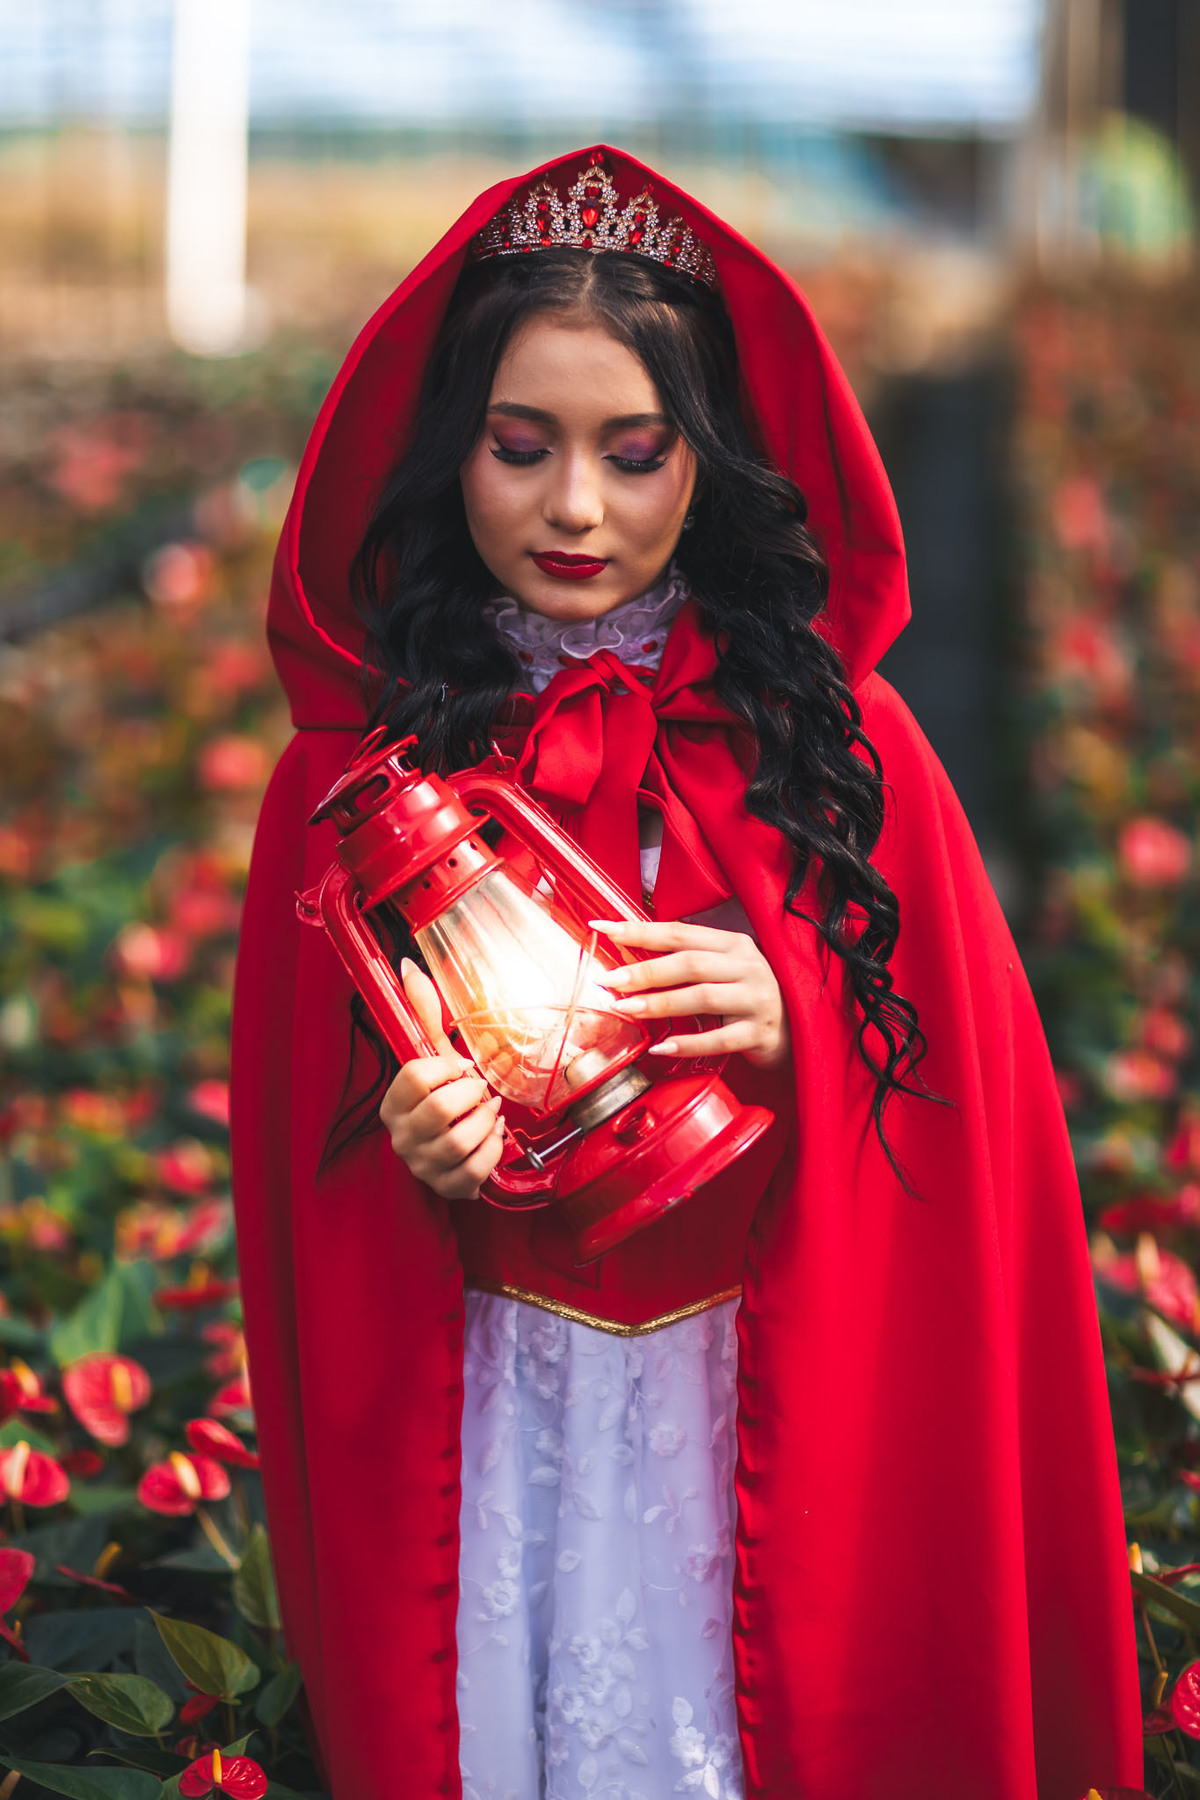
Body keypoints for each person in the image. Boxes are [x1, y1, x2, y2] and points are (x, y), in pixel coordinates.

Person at [230, 147, 1144, 1800]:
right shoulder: (355, 778)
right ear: (448, 456)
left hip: (751, 1403)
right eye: (520, 448)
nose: (575, 507)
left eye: (635, 453)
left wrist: (804, 1021)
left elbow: (970, 1128)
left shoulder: (845, 751)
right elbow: (314, 1186)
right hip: (491, 1408)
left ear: (708, 466)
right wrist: (404, 1139)